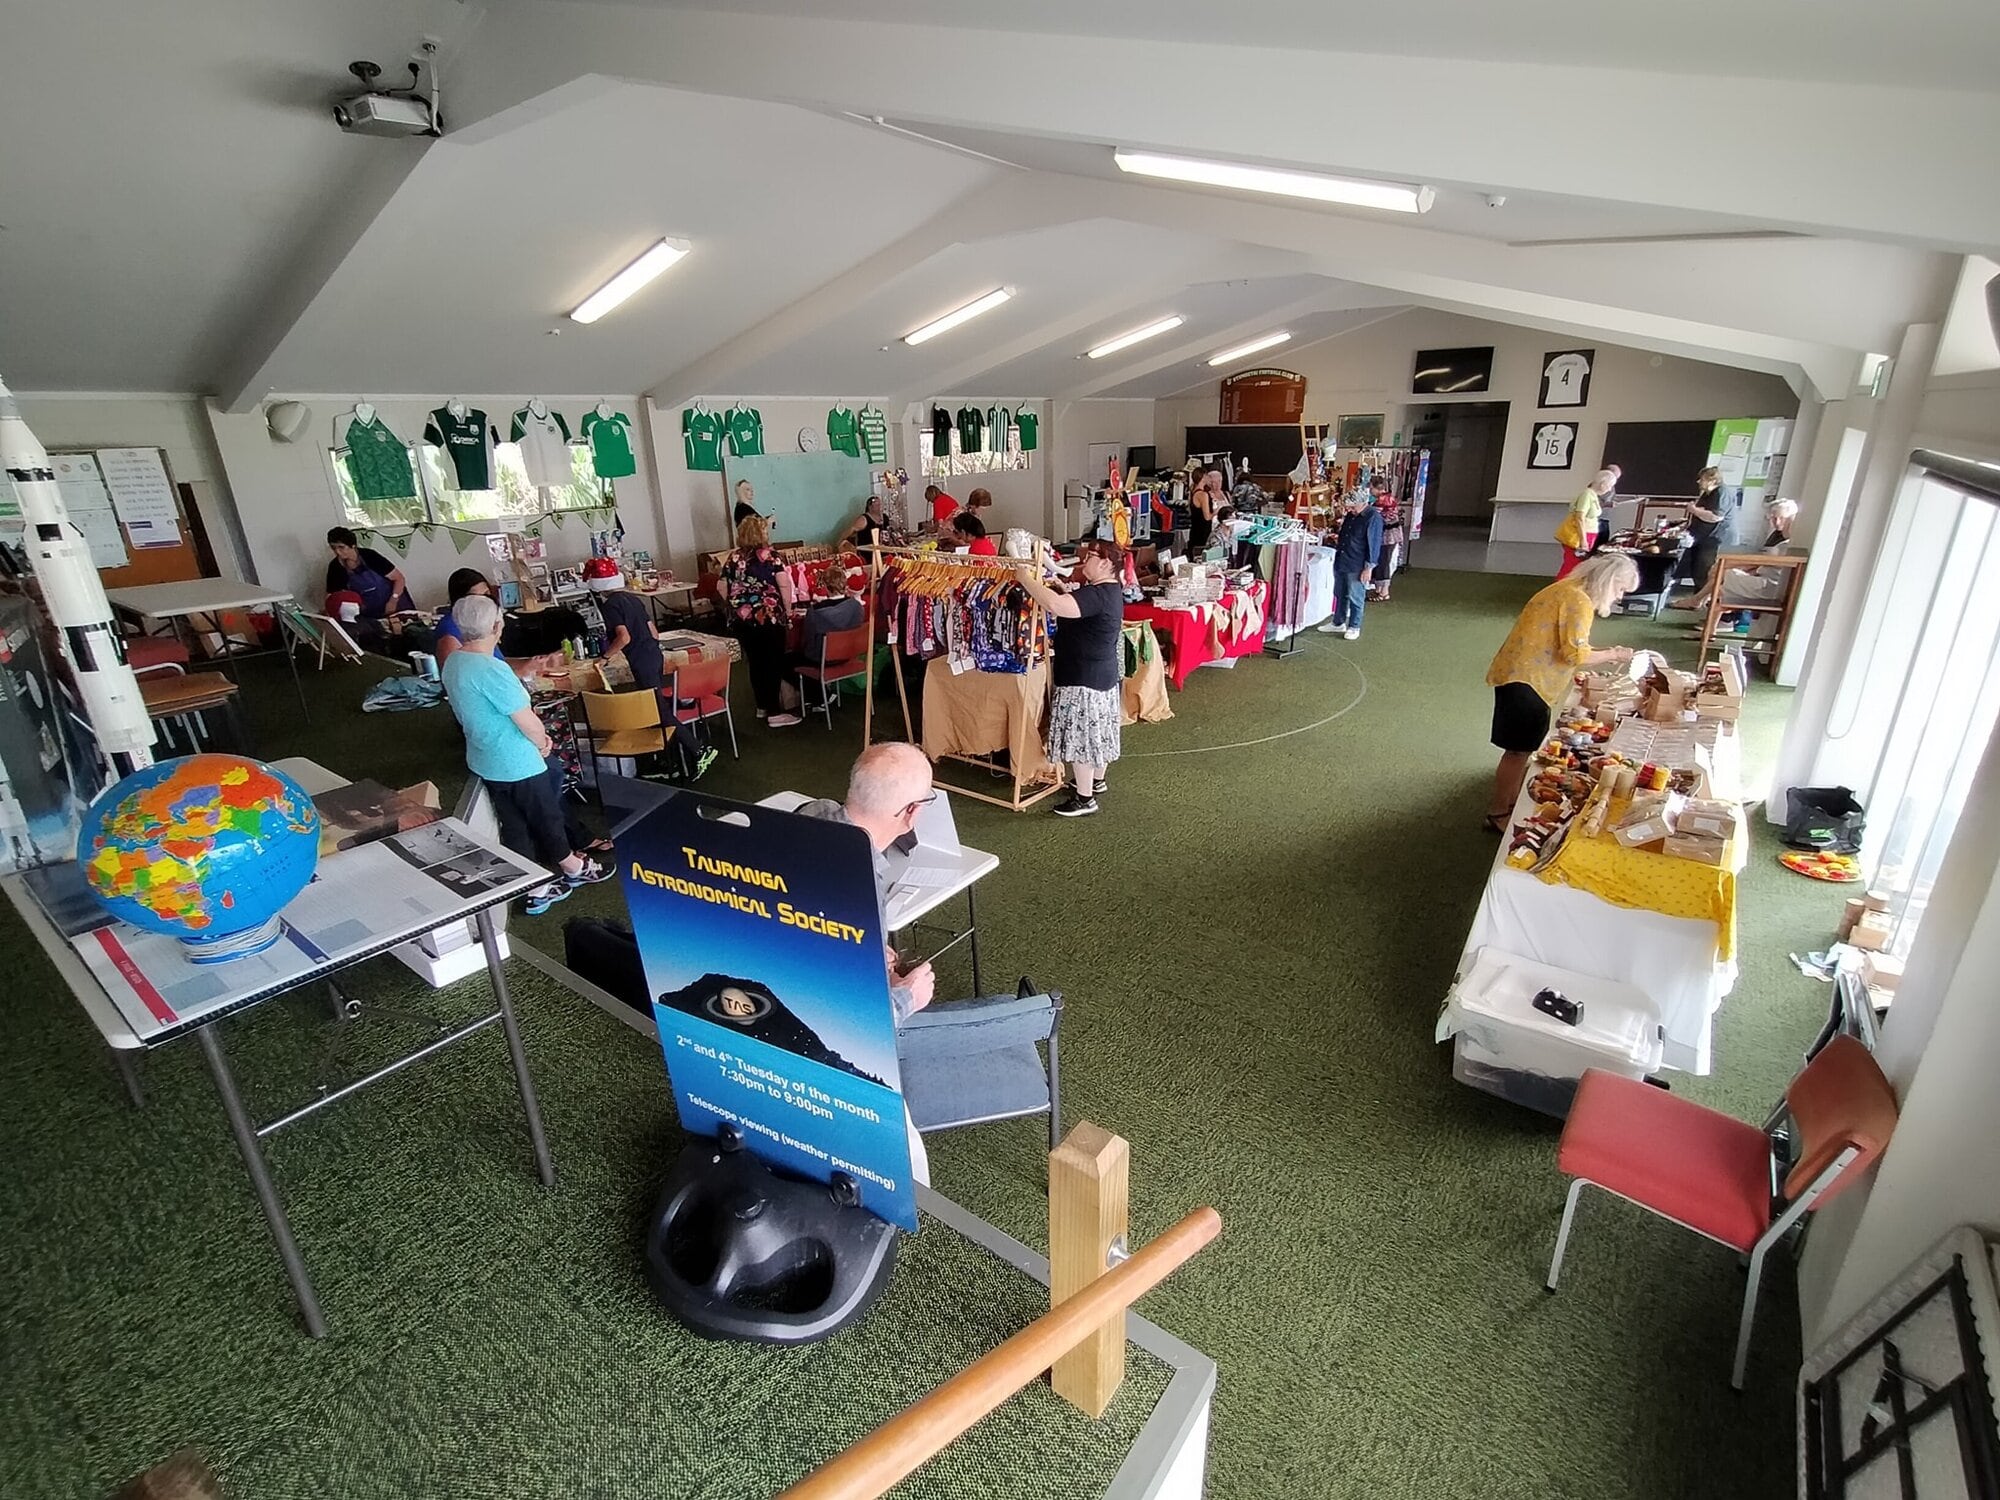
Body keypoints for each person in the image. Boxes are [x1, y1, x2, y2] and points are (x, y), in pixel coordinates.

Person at [440, 594, 613, 915]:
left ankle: (536, 888)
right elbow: (525, 719)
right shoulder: (492, 669)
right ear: (497, 626)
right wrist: (543, 741)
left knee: (515, 826)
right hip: (518, 761)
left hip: (485, 759)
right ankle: (574, 867)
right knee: (547, 817)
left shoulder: (454, 661)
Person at [1482, 553, 1640, 832]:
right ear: (1609, 581)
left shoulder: (1566, 589)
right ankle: (1498, 812)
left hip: (1519, 673)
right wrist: (1613, 654)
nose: (1619, 597)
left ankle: (1510, 803)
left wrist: (1603, 653)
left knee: (1521, 749)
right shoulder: (1579, 601)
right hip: (1529, 680)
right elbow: (1574, 653)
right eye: (1620, 590)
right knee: (1518, 751)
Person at [795, 742, 939, 1023]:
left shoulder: (813, 811)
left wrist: (866, 948)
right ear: (911, 812)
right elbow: (859, 1020)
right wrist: (908, 998)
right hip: (818, 1008)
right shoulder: (865, 887)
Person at [1015, 541, 1125, 819]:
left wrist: (1025, 578)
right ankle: (1096, 782)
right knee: (1097, 733)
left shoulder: (1098, 594)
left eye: (1091, 556)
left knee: (1082, 738)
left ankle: (1085, 799)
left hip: (1083, 676)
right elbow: (1072, 606)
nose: (1085, 560)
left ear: (1105, 564)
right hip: (1099, 673)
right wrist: (1062, 589)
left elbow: (1055, 605)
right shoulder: (1108, 591)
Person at [719, 513, 801, 727]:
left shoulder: (733, 558)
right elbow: (784, 585)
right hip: (768, 617)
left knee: (755, 663)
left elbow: (721, 586)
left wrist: (736, 604)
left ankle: (762, 706)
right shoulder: (771, 556)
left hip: (742, 620)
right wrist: (788, 610)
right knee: (772, 662)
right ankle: (775, 713)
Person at [1319, 488, 1383, 640]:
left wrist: (1369, 567)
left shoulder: (1373, 517)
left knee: (1356, 596)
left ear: (1362, 503)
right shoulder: (1351, 515)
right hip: (1343, 558)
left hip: (1357, 562)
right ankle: (1338, 622)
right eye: (1349, 507)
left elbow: (1374, 544)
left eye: (1352, 507)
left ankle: (1354, 626)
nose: (1350, 510)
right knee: (1340, 592)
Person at [325, 526, 414, 620]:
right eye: (333, 548)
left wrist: (393, 600)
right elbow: (332, 596)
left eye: (341, 547)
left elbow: (399, 578)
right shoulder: (335, 567)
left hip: (396, 605)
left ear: (352, 545)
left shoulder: (370, 556)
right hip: (369, 614)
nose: (337, 552)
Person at [800, 563, 866, 668]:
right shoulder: (857, 606)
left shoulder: (815, 611)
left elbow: (808, 641)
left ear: (825, 586)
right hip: (851, 653)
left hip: (822, 659)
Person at [1556, 470, 1619, 580]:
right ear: (1603, 484)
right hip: (1578, 537)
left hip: (1587, 536)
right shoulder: (1586, 495)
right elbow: (1580, 518)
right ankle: (1561, 586)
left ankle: (1572, 585)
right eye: (1610, 486)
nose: (1610, 489)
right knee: (1572, 565)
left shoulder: (1593, 496)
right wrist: (1583, 540)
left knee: (1579, 565)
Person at [1676, 467, 1728, 592]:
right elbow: (1703, 511)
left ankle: (1702, 598)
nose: (1698, 481)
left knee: (1704, 569)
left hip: (1713, 537)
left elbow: (1715, 516)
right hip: (1702, 535)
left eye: (1702, 479)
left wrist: (1693, 510)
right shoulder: (1707, 494)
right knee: (1696, 568)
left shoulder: (1720, 493)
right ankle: (1697, 595)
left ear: (1712, 480)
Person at [1188, 469, 1224, 556]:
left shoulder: (1193, 492)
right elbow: (1207, 517)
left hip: (1195, 529)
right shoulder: (1203, 494)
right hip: (1203, 531)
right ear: (1203, 477)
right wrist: (1216, 511)